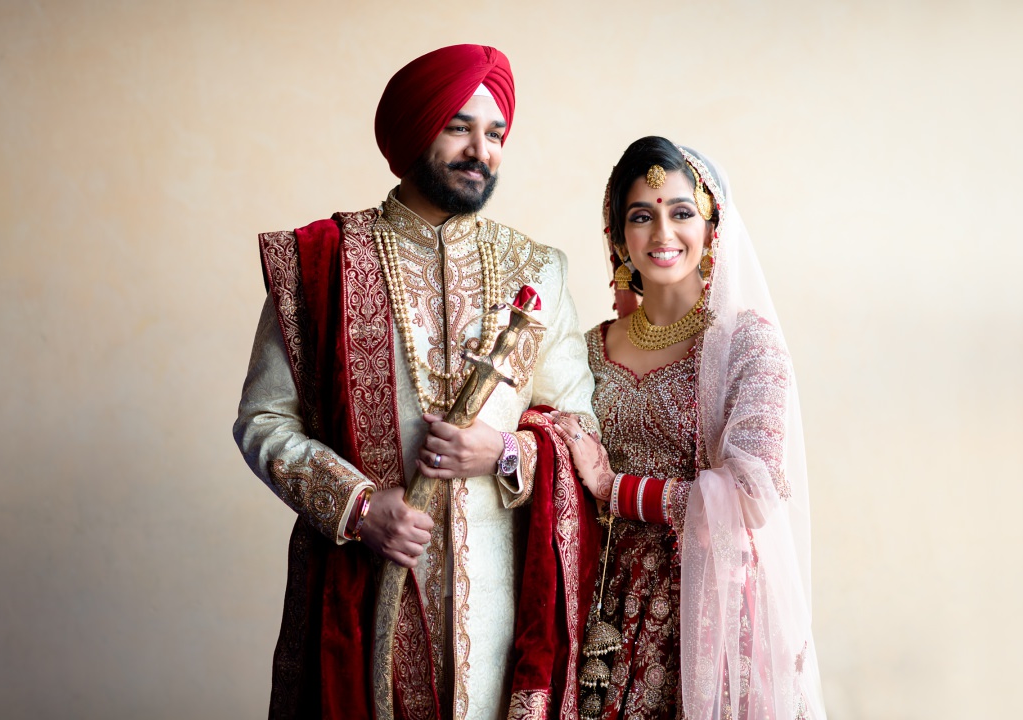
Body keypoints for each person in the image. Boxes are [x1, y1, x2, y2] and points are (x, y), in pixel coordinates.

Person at [233, 44, 597, 720]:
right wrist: (360, 508)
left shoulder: (536, 269)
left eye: (495, 134)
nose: (480, 149)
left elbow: (582, 430)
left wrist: (507, 452)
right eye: (459, 126)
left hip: (501, 618)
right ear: (413, 131)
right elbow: (262, 421)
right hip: (362, 597)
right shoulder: (324, 263)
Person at [550, 137, 826, 719]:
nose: (662, 234)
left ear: (711, 227)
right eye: (641, 216)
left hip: (716, 609)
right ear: (617, 235)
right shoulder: (587, 352)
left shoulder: (746, 345)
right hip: (606, 605)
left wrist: (614, 489)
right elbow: (550, 447)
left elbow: (752, 493)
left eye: (681, 212)